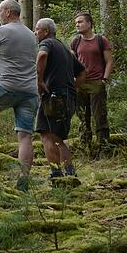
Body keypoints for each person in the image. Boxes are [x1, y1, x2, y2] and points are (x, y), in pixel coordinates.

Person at [0, 0, 39, 191]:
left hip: (7, 85)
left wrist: (3, 66)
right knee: (25, 135)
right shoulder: (31, 34)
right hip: (30, 90)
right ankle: (24, 180)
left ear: (7, 12)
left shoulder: (1, 31)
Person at [34, 18, 86, 179]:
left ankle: (56, 173)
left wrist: (40, 81)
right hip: (68, 98)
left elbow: (42, 55)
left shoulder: (47, 44)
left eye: (37, 29)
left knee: (47, 134)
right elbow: (83, 72)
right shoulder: (64, 48)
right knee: (58, 137)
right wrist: (72, 87)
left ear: (46, 31)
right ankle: (70, 173)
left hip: (54, 97)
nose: (35, 32)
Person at [71, 12, 114, 151]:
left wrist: (104, 80)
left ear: (89, 24)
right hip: (80, 83)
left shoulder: (101, 40)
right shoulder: (75, 41)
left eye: (80, 21)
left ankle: (104, 148)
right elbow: (71, 62)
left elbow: (109, 61)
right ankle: (86, 148)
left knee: (100, 116)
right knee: (83, 117)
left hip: (97, 83)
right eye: (76, 22)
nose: (77, 24)